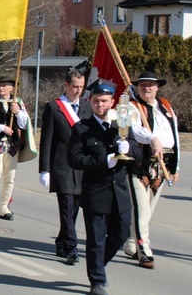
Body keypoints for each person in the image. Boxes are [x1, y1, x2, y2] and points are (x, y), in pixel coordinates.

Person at [68, 82, 142, 295]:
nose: (100, 104)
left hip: (120, 192)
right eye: (96, 100)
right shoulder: (81, 128)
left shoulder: (121, 125)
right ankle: (97, 280)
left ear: (112, 103)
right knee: (96, 240)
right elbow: (74, 158)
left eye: (104, 101)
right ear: (90, 101)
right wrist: (104, 161)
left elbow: (137, 155)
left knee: (120, 235)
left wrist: (129, 148)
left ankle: (98, 265)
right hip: (96, 193)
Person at [124, 71, 180, 269]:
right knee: (142, 209)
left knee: (149, 210)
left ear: (157, 87)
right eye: (142, 84)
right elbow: (134, 130)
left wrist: (176, 165)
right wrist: (151, 138)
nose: (146, 87)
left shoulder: (165, 106)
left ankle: (131, 243)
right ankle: (144, 249)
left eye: (150, 84)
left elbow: (175, 134)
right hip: (141, 163)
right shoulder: (133, 106)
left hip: (163, 163)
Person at [38, 69, 92, 265]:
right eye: (75, 87)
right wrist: (44, 169)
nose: (78, 91)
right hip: (62, 166)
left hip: (82, 167)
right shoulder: (54, 107)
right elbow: (47, 140)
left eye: (81, 87)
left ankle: (61, 241)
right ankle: (71, 247)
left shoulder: (87, 107)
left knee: (74, 209)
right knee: (67, 209)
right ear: (66, 85)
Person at [0, 76, 36, 220]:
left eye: (4, 85)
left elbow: (24, 124)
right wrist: (3, 127)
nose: (1, 88)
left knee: (10, 177)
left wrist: (18, 112)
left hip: (12, 145)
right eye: (0, 85)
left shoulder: (18, 102)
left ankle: (4, 207)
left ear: (12, 88)